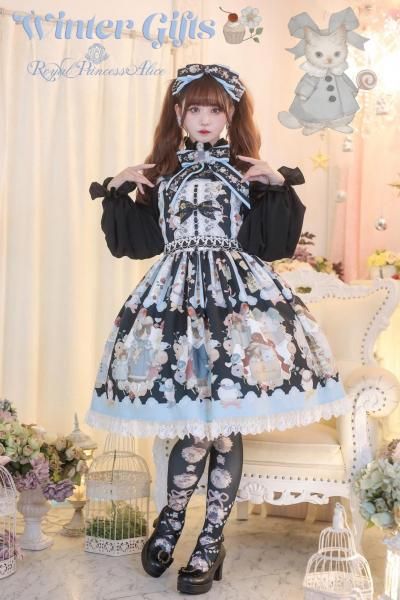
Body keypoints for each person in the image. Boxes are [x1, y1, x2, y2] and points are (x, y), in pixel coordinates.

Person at [86, 63, 350, 595]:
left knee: (222, 422)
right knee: (197, 420)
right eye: (194, 109)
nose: (204, 118)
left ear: (230, 115)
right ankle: (174, 523)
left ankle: (206, 538)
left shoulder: (248, 172)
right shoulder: (161, 175)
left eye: (215, 109)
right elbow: (137, 242)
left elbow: (271, 244)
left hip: (237, 308)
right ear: (178, 114)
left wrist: (276, 186)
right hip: (175, 306)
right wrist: (117, 189)